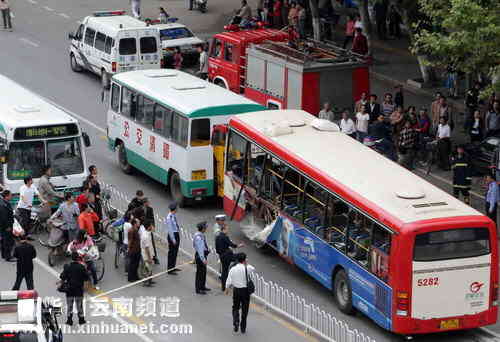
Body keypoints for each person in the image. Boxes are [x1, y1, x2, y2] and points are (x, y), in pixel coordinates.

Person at [225, 253, 255, 334]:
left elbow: (228, 280)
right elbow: (253, 268)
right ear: (244, 260)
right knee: (245, 309)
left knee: (235, 307)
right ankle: (243, 327)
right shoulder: (247, 268)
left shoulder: (233, 269)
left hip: (236, 291)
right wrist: (246, 263)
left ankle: (236, 321)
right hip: (245, 292)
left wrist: (227, 289)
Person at [60, 252, 89, 326]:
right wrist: (85, 289)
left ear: (71, 258)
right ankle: (81, 320)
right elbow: (86, 279)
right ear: (78, 258)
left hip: (69, 290)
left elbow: (63, 277)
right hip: (79, 290)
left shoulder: (67, 267)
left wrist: (60, 284)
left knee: (69, 305)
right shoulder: (82, 267)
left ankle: (69, 320)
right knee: (79, 306)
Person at [216, 224, 243, 291]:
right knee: (241, 256)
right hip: (227, 256)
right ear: (223, 230)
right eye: (227, 229)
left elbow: (217, 249)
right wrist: (239, 245)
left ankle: (223, 287)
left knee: (224, 271)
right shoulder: (225, 237)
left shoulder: (217, 237)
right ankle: (233, 270)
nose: (227, 230)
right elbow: (232, 245)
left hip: (222, 256)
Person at [193, 221, 210, 294]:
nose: (206, 229)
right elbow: (200, 250)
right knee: (200, 273)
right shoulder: (198, 237)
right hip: (200, 256)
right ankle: (198, 289)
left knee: (203, 272)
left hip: (202, 255)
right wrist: (203, 259)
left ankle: (202, 286)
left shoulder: (201, 235)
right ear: (202, 229)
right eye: (205, 228)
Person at [142, 198, 159, 264]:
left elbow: (152, 218)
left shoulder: (150, 209)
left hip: (148, 227)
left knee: (152, 242)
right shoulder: (140, 209)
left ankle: (155, 257)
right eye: (148, 202)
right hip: (142, 227)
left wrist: (153, 226)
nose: (149, 203)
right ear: (145, 203)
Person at [166, 203, 181, 274]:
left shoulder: (173, 216)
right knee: (172, 252)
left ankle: (173, 267)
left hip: (176, 234)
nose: (177, 209)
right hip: (173, 235)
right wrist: (173, 239)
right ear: (174, 209)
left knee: (175, 252)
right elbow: (170, 230)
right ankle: (170, 269)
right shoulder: (169, 218)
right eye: (176, 208)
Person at [0, 190, 15, 261]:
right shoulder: (4, 205)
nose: (11, 196)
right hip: (6, 226)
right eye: (10, 195)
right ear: (6, 196)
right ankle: (8, 257)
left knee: (4, 240)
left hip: (5, 226)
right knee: (7, 241)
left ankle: (4, 255)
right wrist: (7, 227)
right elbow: (4, 217)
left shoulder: (4, 202)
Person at [140, 222, 155, 287]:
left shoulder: (148, 233)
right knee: (147, 268)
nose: (153, 227)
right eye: (151, 226)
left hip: (149, 254)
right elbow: (147, 249)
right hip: (146, 255)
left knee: (150, 268)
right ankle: (146, 282)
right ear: (149, 227)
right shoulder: (145, 236)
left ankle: (149, 280)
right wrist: (149, 258)